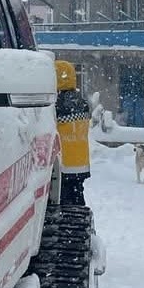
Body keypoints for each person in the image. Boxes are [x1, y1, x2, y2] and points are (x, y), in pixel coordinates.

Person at [54, 60, 91, 206]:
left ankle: (71, 225)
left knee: (64, 202)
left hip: (64, 163)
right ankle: (80, 222)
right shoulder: (82, 103)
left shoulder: (57, 104)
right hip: (81, 161)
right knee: (77, 195)